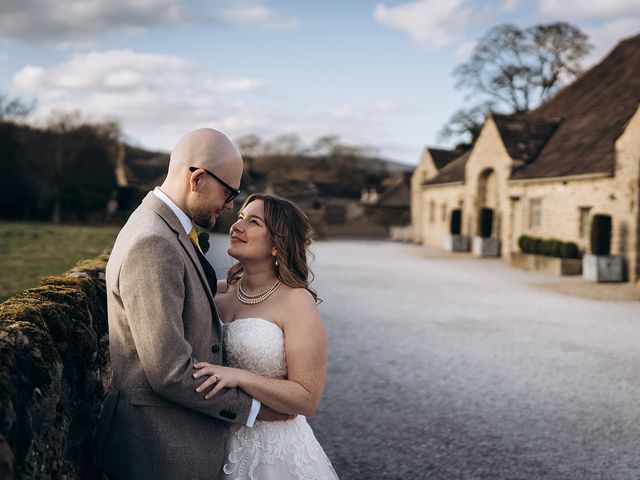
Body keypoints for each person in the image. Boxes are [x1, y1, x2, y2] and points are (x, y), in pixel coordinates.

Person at [97, 129, 288, 480]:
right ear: (198, 179)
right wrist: (253, 410)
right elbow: (170, 372)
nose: (231, 205)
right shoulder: (153, 242)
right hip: (159, 447)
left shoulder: (164, 229)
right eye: (229, 192)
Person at [192, 193, 339, 479]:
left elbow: (307, 398)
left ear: (277, 244)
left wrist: (240, 376)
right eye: (240, 218)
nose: (237, 226)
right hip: (211, 441)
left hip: (272, 452)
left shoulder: (296, 301)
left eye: (254, 221)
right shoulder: (215, 292)